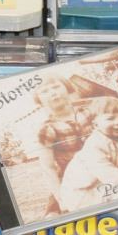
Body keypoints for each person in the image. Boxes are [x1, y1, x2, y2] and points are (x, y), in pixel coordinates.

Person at [58, 97, 118, 211]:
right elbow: (108, 174)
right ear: (96, 125)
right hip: (88, 192)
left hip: (117, 184)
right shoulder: (94, 145)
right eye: (110, 119)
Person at [33, 76, 94, 215]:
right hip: (72, 179)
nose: (53, 93)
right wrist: (61, 199)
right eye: (45, 91)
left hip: (104, 168)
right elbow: (48, 167)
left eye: (56, 87)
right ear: (39, 100)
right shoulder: (47, 129)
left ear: (67, 88)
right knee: (54, 217)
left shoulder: (88, 112)